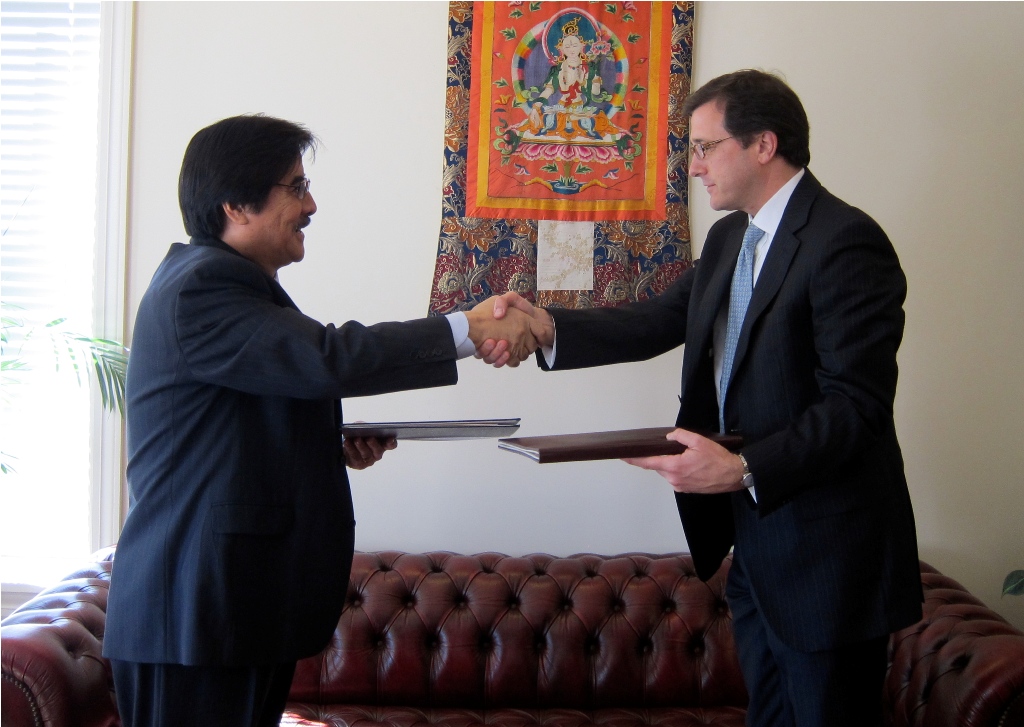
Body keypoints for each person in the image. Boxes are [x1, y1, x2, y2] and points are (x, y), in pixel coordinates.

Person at [482, 70, 922, 726]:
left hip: (832, 566)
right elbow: (657, 320)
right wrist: (545, 326)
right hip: (758, 554)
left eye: (706, 148)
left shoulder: (845, 242)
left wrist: (744, 467)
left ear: (764, 145)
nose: (693, 168)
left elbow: (856, 407)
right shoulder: (730, 239)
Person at [102, 114, 537, 727]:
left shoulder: (229, 285)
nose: (311, 205)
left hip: (229, 613)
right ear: (236, 205)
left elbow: (238, 428)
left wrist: (325, 446)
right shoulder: (202, 286)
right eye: (296, 187)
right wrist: (468, 328)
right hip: (194, 614)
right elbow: (325, 358)